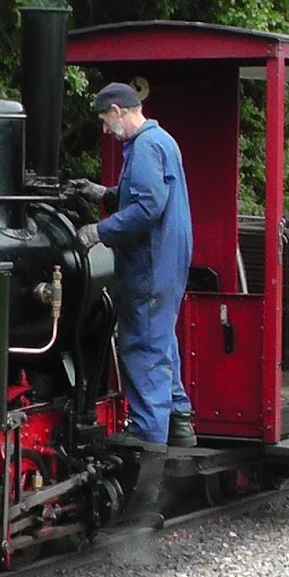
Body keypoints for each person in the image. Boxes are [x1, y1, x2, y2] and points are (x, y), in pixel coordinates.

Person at [72, 82, 197, 451]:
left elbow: (146, 209)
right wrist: (102, 193)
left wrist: (99, 231)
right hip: (166, 263)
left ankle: (148, 442)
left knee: (141, 345)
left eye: (105, 122)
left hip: (149, 265)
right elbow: (141, 197)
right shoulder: (162, 141)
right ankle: (179, 422)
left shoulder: (144, 147)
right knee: (161, 341)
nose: (106, 131)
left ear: (117, 110)